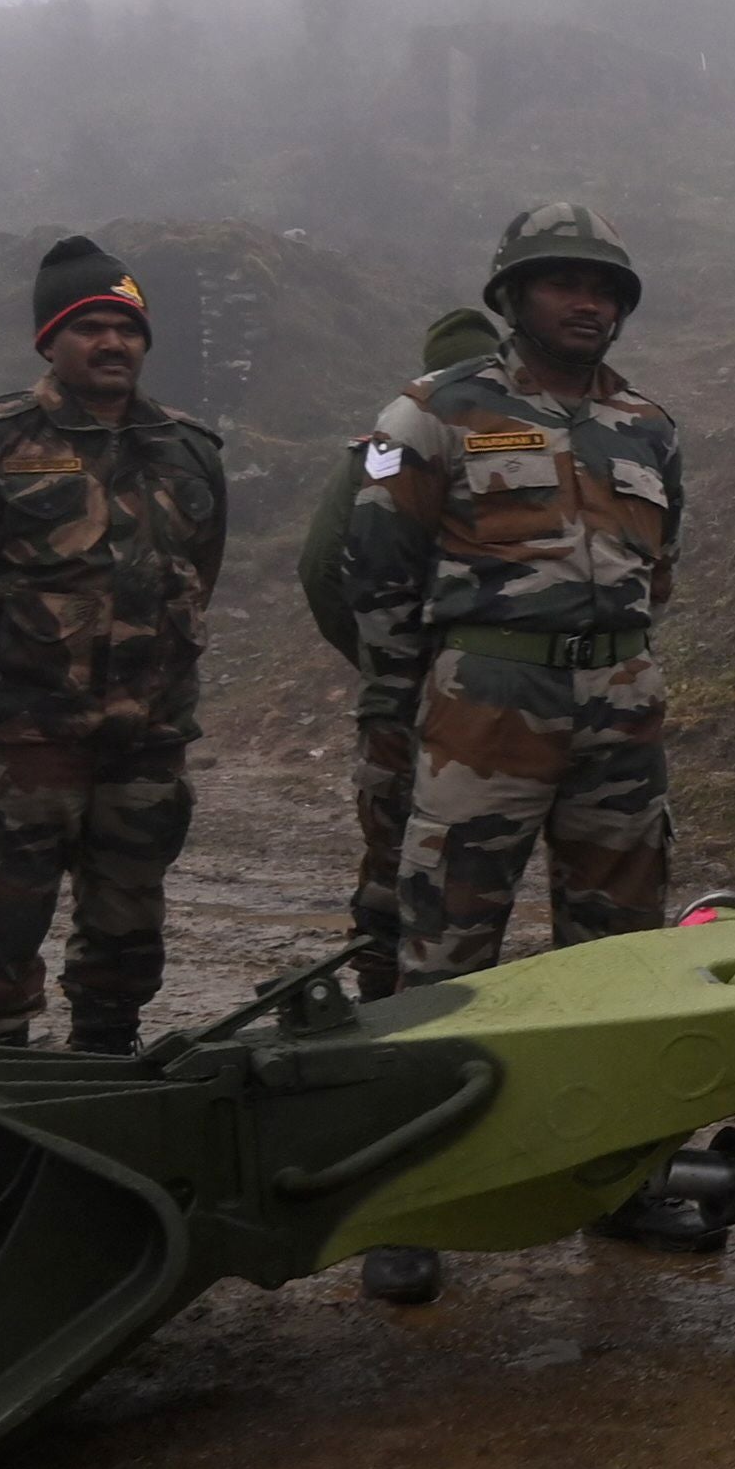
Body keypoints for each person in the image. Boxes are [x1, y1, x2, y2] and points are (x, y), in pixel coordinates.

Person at [333, 201, 704, 1269]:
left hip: (622, 708)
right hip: (482, 707)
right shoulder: (421, 416)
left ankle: (619, 1180)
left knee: (624, 958)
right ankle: (410, 1205)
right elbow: (375, 570)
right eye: (563, 283)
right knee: (445, 951)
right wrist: (401, 715)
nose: (587, 303)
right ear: (513, 294)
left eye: (605, 289)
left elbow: (659, 565)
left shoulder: (651, 425)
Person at [0, 238, 229, 1052]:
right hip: (22, 744)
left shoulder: (189, 451)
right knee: (2, 938)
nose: (113, 343)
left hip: (145, 743)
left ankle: (102, 1077)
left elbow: (197, 575)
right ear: (50, 340)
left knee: (128, 932)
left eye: (128, 328)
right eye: (89, 327)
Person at [298, 301, 508, 991]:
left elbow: (323, 567)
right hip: (500, 695)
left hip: (403, 694)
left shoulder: (387, 442)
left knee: (396, 859)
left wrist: (380, 663)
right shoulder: (532, 439)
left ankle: (380, 1010)